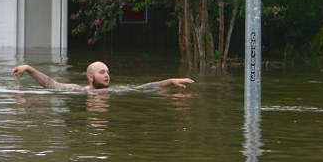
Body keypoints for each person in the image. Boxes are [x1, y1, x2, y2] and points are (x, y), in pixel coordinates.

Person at [11, 61, 194, 91]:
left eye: (107, 72)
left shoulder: (113, 91)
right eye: (102, 72)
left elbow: (144, 87)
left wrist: (170, 81)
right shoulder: (79, 91)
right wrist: (28, 68)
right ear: (90, 77)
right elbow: (51, 84)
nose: (107, 76)